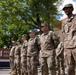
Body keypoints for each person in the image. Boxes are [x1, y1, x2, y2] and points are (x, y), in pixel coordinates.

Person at [62, 3, 76, 75]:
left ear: (72, 9)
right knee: (70, 68)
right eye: (64, 9)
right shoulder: (64, 23)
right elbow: (64, 35)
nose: (66, 10)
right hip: (68, 48)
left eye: (67, 8)